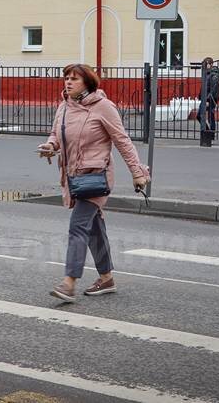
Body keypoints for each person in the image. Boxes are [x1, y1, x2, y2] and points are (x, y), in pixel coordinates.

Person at [37, 63, 149, 302]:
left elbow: (122, 141)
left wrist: (137, 172)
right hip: (73, 176)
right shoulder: (64, 107)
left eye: (74, 79)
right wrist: (50, 146)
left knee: (78, 226)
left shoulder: (103, 107)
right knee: (94, 227)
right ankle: (106, 278)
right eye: (66, 78)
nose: (68, 82)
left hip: (96, 176)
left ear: (87, 83)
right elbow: (56, 134)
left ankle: (69, 283)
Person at [198, 57, 219, 139]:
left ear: (211, 64)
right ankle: (208, 132)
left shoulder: (214, 75)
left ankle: (211, 134)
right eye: (204, 64)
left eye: (207, 64)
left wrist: (208, 100)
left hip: (210, 99)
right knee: (200, 115)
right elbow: (204, 86)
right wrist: (200, 96)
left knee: (210, 116)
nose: (205, 66)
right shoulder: (206, 73)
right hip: (205, 98)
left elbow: (214, 89)